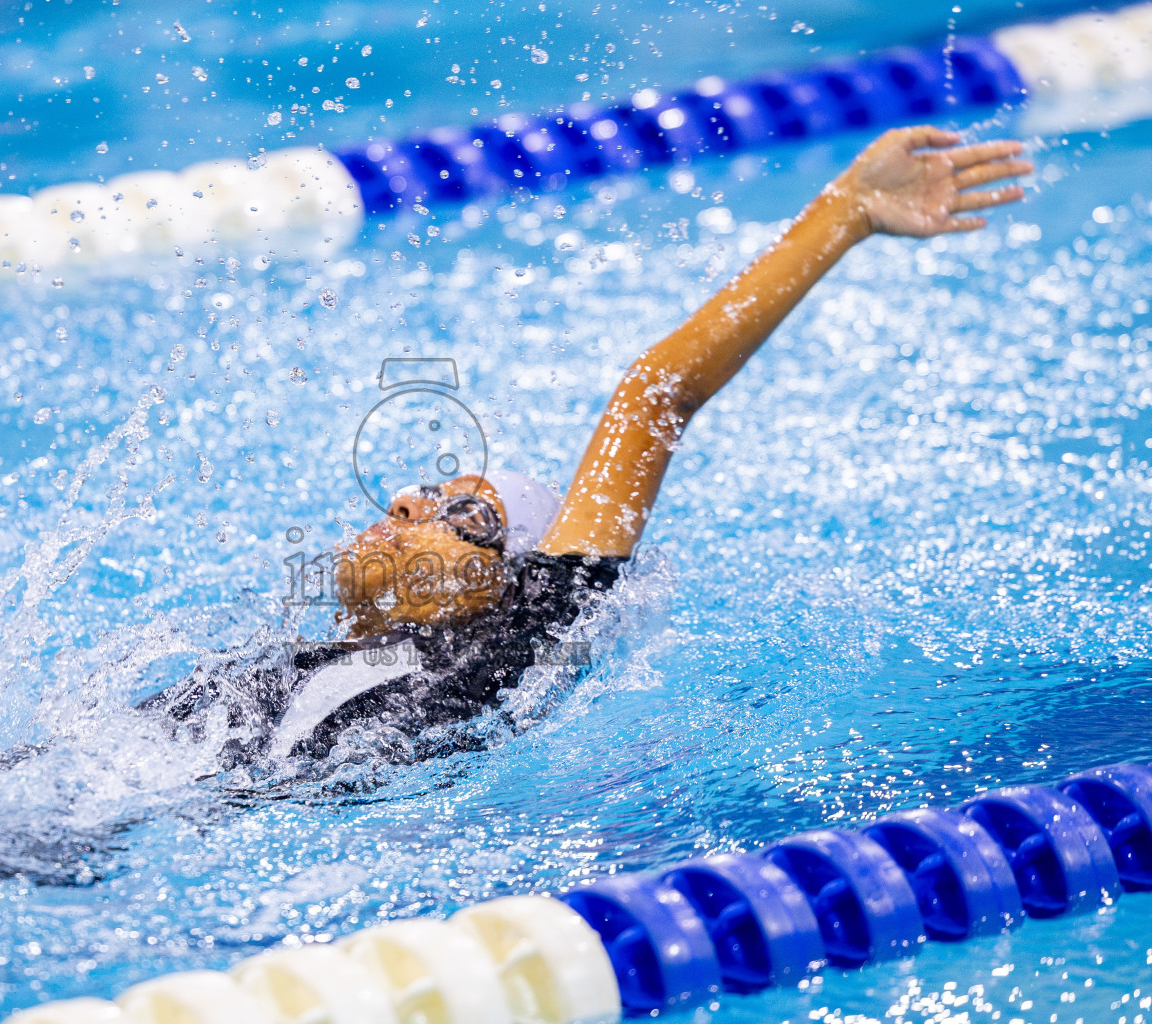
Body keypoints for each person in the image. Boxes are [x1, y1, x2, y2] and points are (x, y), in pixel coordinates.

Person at [137, 126, 1033, 765]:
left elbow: (654, 397)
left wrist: (843, 213)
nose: (409, 503)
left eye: (467, 513)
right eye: (417, 496)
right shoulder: (246, 676)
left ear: (523, 569)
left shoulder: (531, 622)